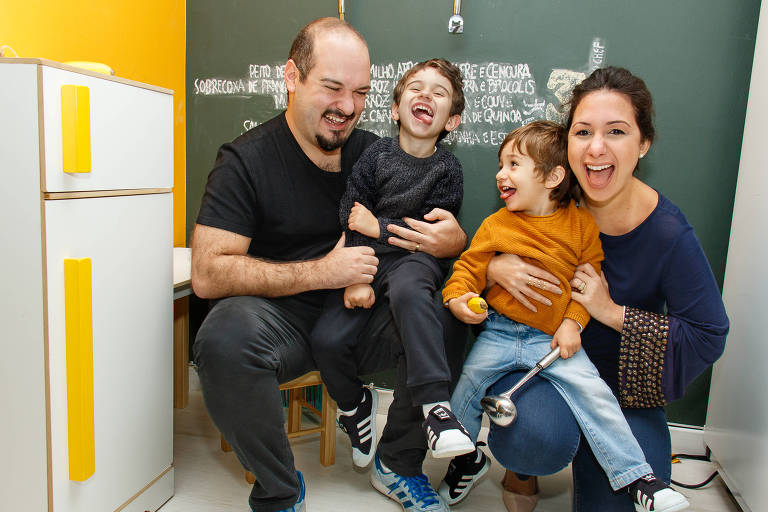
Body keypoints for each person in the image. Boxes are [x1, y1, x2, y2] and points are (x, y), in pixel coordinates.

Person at [190, 18, 468, 512]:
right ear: (292, 77)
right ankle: (279, 489)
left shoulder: (380, 152)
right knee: (221, 339)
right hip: (282, 319)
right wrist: (325, 271)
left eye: (360, 92)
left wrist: (451, 240)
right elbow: (209, 272)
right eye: (332, 87)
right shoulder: (245, 160)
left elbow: (432, 234)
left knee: (443, 312)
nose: (346, 107)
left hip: (364, 315)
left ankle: (398, 464)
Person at [477, 67, 729, 511]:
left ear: (643, 143)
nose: (596, 148)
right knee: (530, 436)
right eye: (582, 131)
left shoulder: (668, 232)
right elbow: (474, 256)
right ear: (566, 144)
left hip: (622, 391)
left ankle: (597, 457)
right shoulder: (542, 195)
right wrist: (495, 267)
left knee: (634, 499)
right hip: (545, 365)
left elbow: (708, 334)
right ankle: (525, 470)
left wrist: (610, 311)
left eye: (616, 131)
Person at [436, 121, 689, 512]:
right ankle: (462, 449)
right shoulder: (496, 225)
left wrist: (573, 322)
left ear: (553, 176)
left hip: (552, 341)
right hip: (499, 333)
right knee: (467, 384)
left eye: (514, 164)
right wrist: (459, 299)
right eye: (501, 164)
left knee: (596, 396)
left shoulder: (580, 226)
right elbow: (468, 269)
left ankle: (638, 478)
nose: (501, 174)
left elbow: (587, 287)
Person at [311, 58, 476, 475]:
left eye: (439, 93)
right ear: (395, 109)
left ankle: (436, 406)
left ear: (452, 121)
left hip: (416, 261)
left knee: (411, 291)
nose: (426, 95)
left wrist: (378, 225)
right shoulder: (374, 156)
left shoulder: (447, 170)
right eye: (416, 88)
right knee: (327, 340)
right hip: (364, 255)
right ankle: (354, 404)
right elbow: (352, 210)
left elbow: (429, 232)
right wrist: (355, 278)